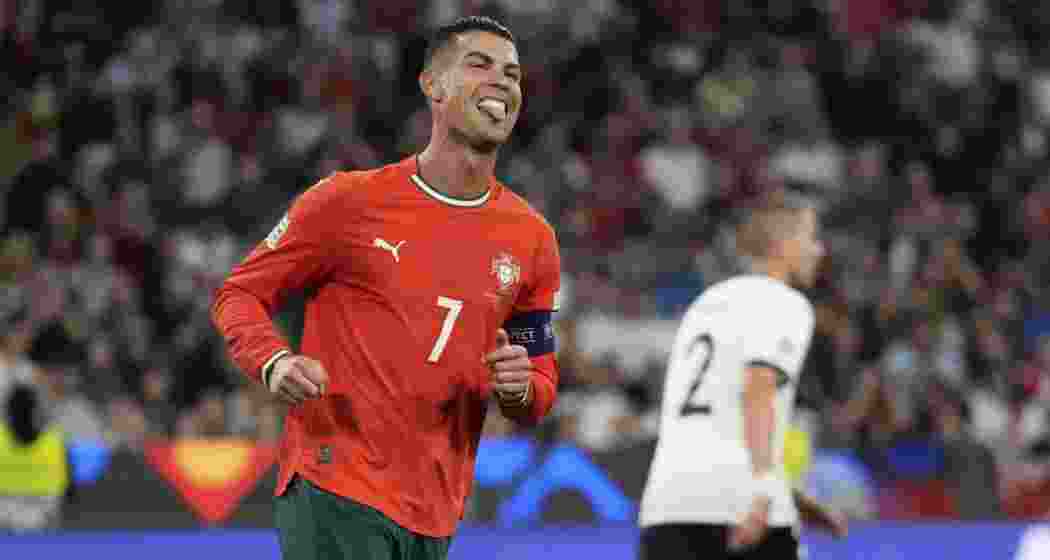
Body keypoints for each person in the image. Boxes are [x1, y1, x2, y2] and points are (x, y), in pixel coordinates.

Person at [211, 16, 561, 560]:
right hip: (337, 483)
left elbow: (538, 384)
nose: (503, 82)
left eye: (513, 74)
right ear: (433, 85)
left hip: (436, 508)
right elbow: (239, 294)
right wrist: (274, 362)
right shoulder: (346, 202)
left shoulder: (532, 239)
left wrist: (519, 388)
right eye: (479, 64)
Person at [637, 195, 847, 559]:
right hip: (742, 507)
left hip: (667, 505)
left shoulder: (705, 305)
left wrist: (793, 497)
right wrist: (766, 491)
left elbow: (712, 420)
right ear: (783, 246)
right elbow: (758, 389)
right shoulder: (785, 303)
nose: (819, 250)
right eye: (811, 238)